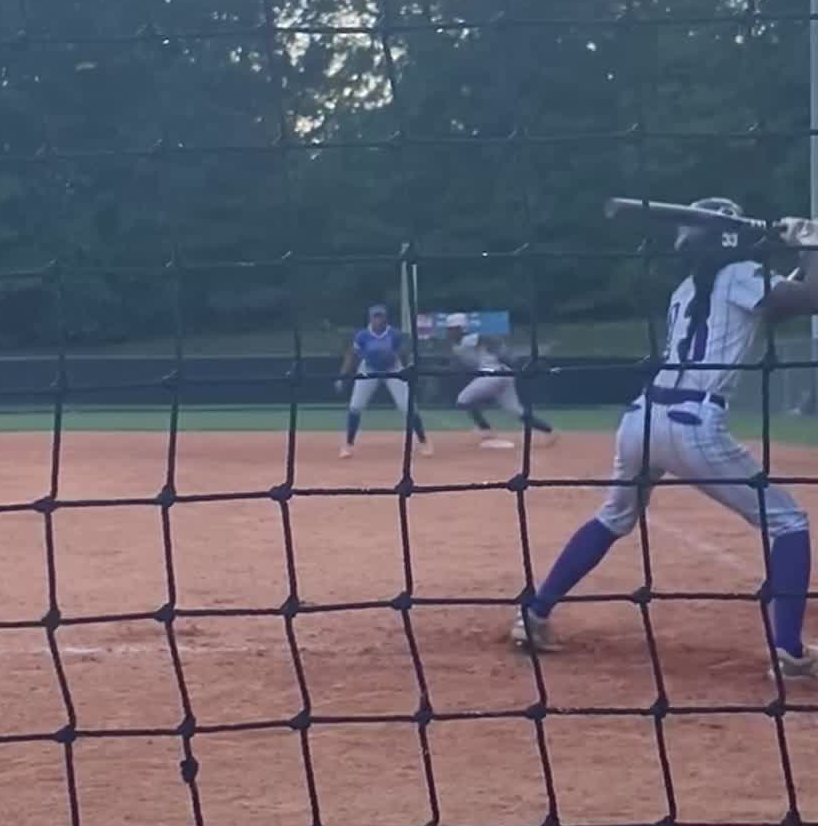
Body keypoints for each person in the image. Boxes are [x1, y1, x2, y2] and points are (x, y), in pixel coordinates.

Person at [511, 198, 818, 679]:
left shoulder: (686, 289)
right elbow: (808, 299)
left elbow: (783, 304)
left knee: (613, 517)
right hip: (693, 424)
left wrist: (803, 253)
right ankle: (788, 652)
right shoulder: (740, 274)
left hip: (642, 419)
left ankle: (536, 613)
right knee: (789, 524)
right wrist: (811, 245)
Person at [336, 304, 432, 458]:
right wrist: (342, 376)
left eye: (381, 316)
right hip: (369, 369)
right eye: (375, 316)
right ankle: (348, 445)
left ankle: (423, 442)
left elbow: (404, 352)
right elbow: (352, 355)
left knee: (408, 406)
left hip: (392, 369)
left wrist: (407, 369)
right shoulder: (363, 335)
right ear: (370, 318)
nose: (378, 320)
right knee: (355, 406)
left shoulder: (394, 334)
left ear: (386, 318)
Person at [448, 314, 556, 450]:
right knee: (516, 410)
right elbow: (459, 363)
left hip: (494, 374)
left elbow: (489, 338)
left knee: (463, 400)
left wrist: (506, 354)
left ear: (462, 328)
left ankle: (485, 430)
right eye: (450, 329)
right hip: (503, 375)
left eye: (454, 329)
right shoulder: (457, 345)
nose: (450, 332)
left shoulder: (468, 339)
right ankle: (549, 431)